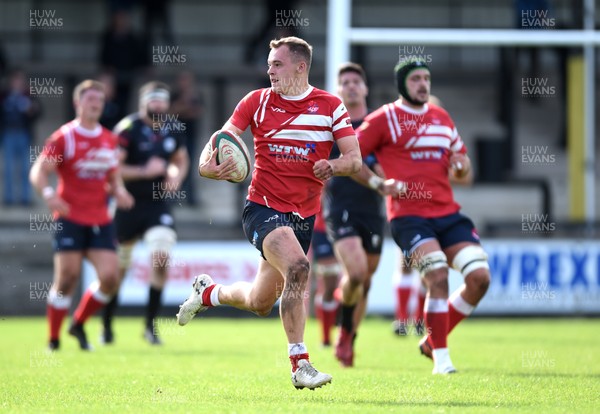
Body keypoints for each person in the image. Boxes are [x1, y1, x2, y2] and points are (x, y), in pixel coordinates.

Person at [176, 37, 379, 390]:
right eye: (269, 64)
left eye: (277, 64)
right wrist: (209, 169)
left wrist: (332, 165)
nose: (269, 70)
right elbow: (215, 146)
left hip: (303, 217)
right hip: (262, 208)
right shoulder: (255, 101)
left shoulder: (330, 106)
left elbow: (354, 160)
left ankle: (208, 293)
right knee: (300, 268)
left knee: (259, 302)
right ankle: (300, 364)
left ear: (301, 67)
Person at [353, 60, 491, 374]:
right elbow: (351, 156)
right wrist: (378, 184)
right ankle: (442, 360)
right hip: (409, 218)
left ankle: (431, 340)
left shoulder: (441, 117)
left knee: (480, 278)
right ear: (403, 84)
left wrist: (461, 165)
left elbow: (463, 164)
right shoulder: (383, 118)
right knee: (438, 276)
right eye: (416, 78)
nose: (423, 84)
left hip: (448, 214)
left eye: (427, 78)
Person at [29, 80, 134, 351]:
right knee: (67, 278)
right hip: (71, 217)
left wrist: (119, 190)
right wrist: (50, 194)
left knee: (110, 278)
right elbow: (39, 171)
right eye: (90, 99)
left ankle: (78, 323)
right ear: (78, 103)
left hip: (100, 218)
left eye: (99, 100)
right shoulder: (64, 137)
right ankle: (53, 339)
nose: (96, 103)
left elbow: (112, 175)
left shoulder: (109, 139)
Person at [101, 81, 189, 345]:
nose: (159, 104)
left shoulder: (172, 128)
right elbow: (112, 168)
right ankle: (106, 325)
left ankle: (150, 326)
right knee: (117, 271)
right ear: (143, 102)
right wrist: (143, 172)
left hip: (157, 205)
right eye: (154, 99)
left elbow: (180, 159)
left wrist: (175, 176)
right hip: (127, 204)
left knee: (161, 258)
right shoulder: (127, 129)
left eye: (162, 100)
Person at [320, 62, 389, 367]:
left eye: (355, 81)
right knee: (358, 273)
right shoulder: (332, 127)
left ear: (365, 89)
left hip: (373, 212)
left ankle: (348, 336)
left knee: (365, 282)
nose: (350, 86)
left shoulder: (379, 126)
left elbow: (393, 162)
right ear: (337, 90)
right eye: (344, 82)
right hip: (340, 210)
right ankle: (343, 331)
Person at [1, 68, 41, 206]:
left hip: (24, 134)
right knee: (9, 169)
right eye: (15, 80)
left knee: (25, 168)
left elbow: (38, 112)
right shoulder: (4, 95)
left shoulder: (29, 95)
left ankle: (25, 198)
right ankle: (9, 198)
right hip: (8, 134)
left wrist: (32, 110)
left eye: (20, 80)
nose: (17, 83)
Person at [169, 70, 203, 206]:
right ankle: (173, 195)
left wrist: (182, 109)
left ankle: (190, 197)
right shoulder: (174, 95)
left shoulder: (197, 95)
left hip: (191, 135)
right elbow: (172, 111)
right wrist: (184, 106)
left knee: (190, 164)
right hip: (175, 135)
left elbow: (197, 112)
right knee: (174, 164)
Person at [310, 204, 340, 347]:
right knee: (329, 283)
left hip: (349, 226)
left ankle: (345, 333)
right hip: (322, 229)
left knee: (353, 280)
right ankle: (326, 337)